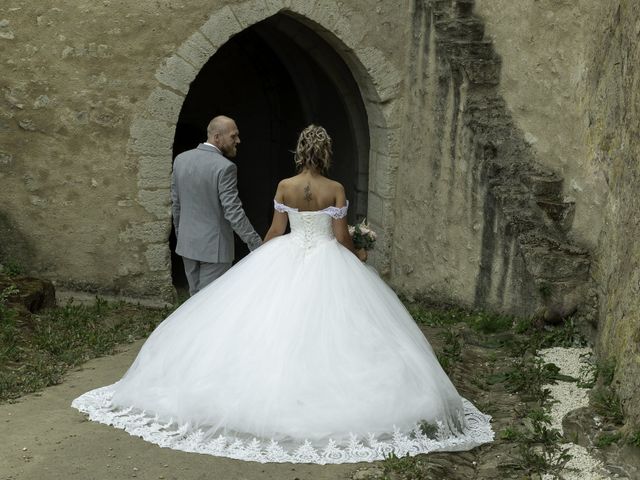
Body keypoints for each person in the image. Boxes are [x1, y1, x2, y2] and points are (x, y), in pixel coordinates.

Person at [72, 125, 493, 464]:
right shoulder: (335, 189)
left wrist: (259, 263)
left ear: (299, 153)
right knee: (342, 335)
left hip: (287, 255)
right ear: (325, 154)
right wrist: (361, 251)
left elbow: (275, 232)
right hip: (329, 260)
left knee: (269, 327)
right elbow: (342, 238)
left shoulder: (285, 186)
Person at [171, 115, 261, 296]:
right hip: (215, 249)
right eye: (233, 136)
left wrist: (182, 236)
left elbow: (176, 205)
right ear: (217, 137)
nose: (238, 140)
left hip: (187, 245)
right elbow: (233, 212)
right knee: (209, 303)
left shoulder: (180, 160)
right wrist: (256, 244)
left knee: (193, 302)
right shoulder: (225, 167)